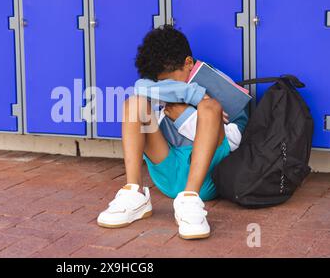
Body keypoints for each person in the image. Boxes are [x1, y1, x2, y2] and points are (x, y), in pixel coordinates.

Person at [97, 25, 248, 240]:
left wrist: (185, 116)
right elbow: (141, 88)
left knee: (211, 107)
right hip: (168, 172)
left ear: (188, 63)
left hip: (206, 176)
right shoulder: (161, 87)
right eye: (161, 83)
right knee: (134, 104)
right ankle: (134, 193)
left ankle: (190, 200)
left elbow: (234, 139)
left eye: (169, 81)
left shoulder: (216, 80)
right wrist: (192, 95)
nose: (164, 88)